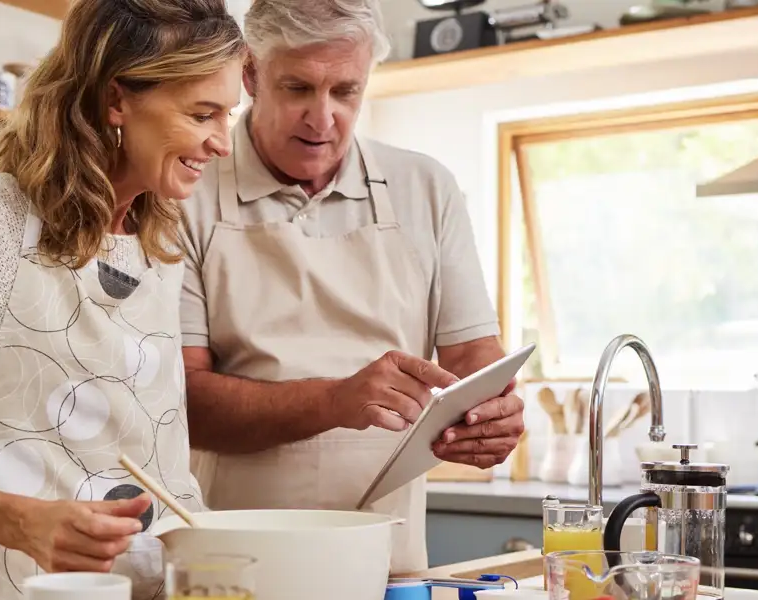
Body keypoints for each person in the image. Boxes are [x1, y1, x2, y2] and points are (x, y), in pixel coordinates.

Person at [0, 1, 246, 598]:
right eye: (202, 113)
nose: (222, 142)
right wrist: (23, 522)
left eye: (229, 115)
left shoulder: (161, 245)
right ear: (117, 100)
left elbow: (167, 472)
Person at [178, 0, 526, 574]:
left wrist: (493, 415)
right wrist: (338, 401)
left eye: (345, 92)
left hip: (387, 557)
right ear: (249, 75)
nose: (323, 118)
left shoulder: (427, 188)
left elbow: (473, 360)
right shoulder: (189, 190)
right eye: (298, 88)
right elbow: (182, 402)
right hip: (234, 560)